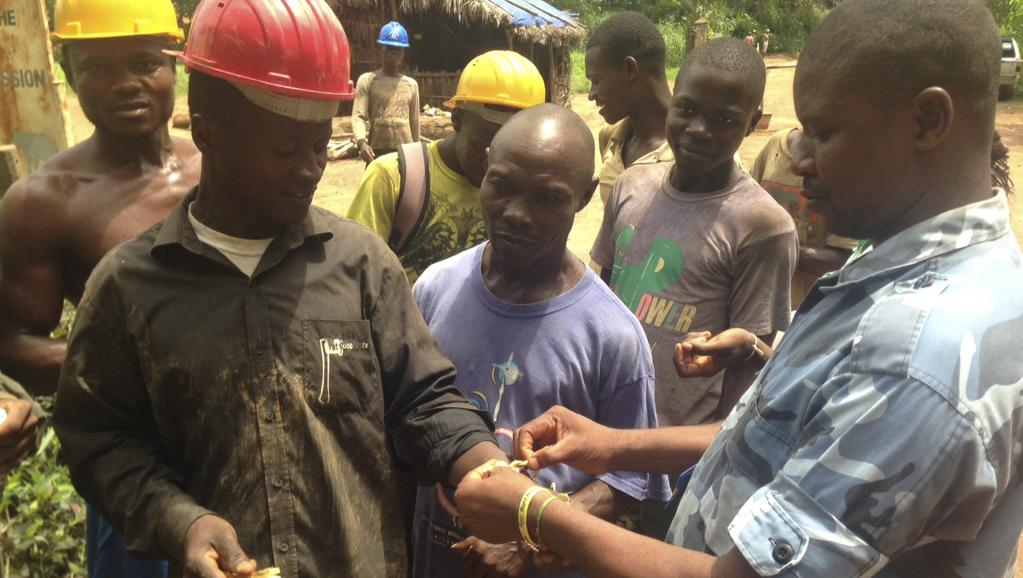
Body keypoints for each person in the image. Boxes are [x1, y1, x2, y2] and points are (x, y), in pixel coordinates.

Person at [451, 1, 1023, 576]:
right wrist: (609, 443)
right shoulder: (903, 266)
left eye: (823, 132)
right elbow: (785, 434)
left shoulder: (918, 355)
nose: (796, 157)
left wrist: (533, 512)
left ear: (927, 122)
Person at [53, 1, 505, 576]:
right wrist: (178, 519)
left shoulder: (362, 265)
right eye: (285, 150)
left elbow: (423, 399)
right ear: (209, 131)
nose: (310, 169)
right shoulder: (127, 287)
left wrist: (484, 464)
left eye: (319, 145)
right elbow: (99, 439)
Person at [410, 104, 671, 578]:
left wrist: (529, 535)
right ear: (485, 168)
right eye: (502, 185)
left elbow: (630, 478)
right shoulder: (434, 288)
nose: (516, 214)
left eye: (548, 198)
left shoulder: (612, 336)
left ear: (586, 196)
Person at [0, 0, 199, 575]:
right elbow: (12, 341)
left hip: (236, 441)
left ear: (175, 64)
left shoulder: (216, 169)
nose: (125, 85)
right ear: (66, 71)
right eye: (97, 68)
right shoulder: (44, 201)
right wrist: (130, 368)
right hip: (133, 464)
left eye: (143, 62)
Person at [591, 38, 797, 428]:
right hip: (600, 419)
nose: (699, 130)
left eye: (724, 120)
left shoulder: (763, 227)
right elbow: (599, 297)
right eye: (686, 109)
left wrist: (707, 464)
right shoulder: (631, 185)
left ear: (753, 123)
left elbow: (745, 366)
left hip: (674, 448)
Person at [347, 50, 545, 284]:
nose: (490, 164)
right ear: (457, 119)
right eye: (482, 147)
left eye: (507, 154)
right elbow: (353, 274)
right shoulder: (393, 177)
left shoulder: (524, 194)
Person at [750, 128, 858, 306]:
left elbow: (840, 261)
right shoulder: (776, 144)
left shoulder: (847, 164)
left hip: (799, 307)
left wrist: (776, 249)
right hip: (751, 298)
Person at [586, 11, 674, 204]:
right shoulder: (611, 138)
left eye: (596, 81)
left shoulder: (699, 151)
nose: (591, 95)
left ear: (629, 69)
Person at [352, 21, 420, 164]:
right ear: (380, 49)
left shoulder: (411, 85)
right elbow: (358, 115)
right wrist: (362, 143)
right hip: (377, 153)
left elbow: (414, 122)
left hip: (405, 153)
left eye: (398, 48)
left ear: (403, 52)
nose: (393, 51)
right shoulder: (368, 80)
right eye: (389, 47)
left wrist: (417, 151)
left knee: (405, 187)